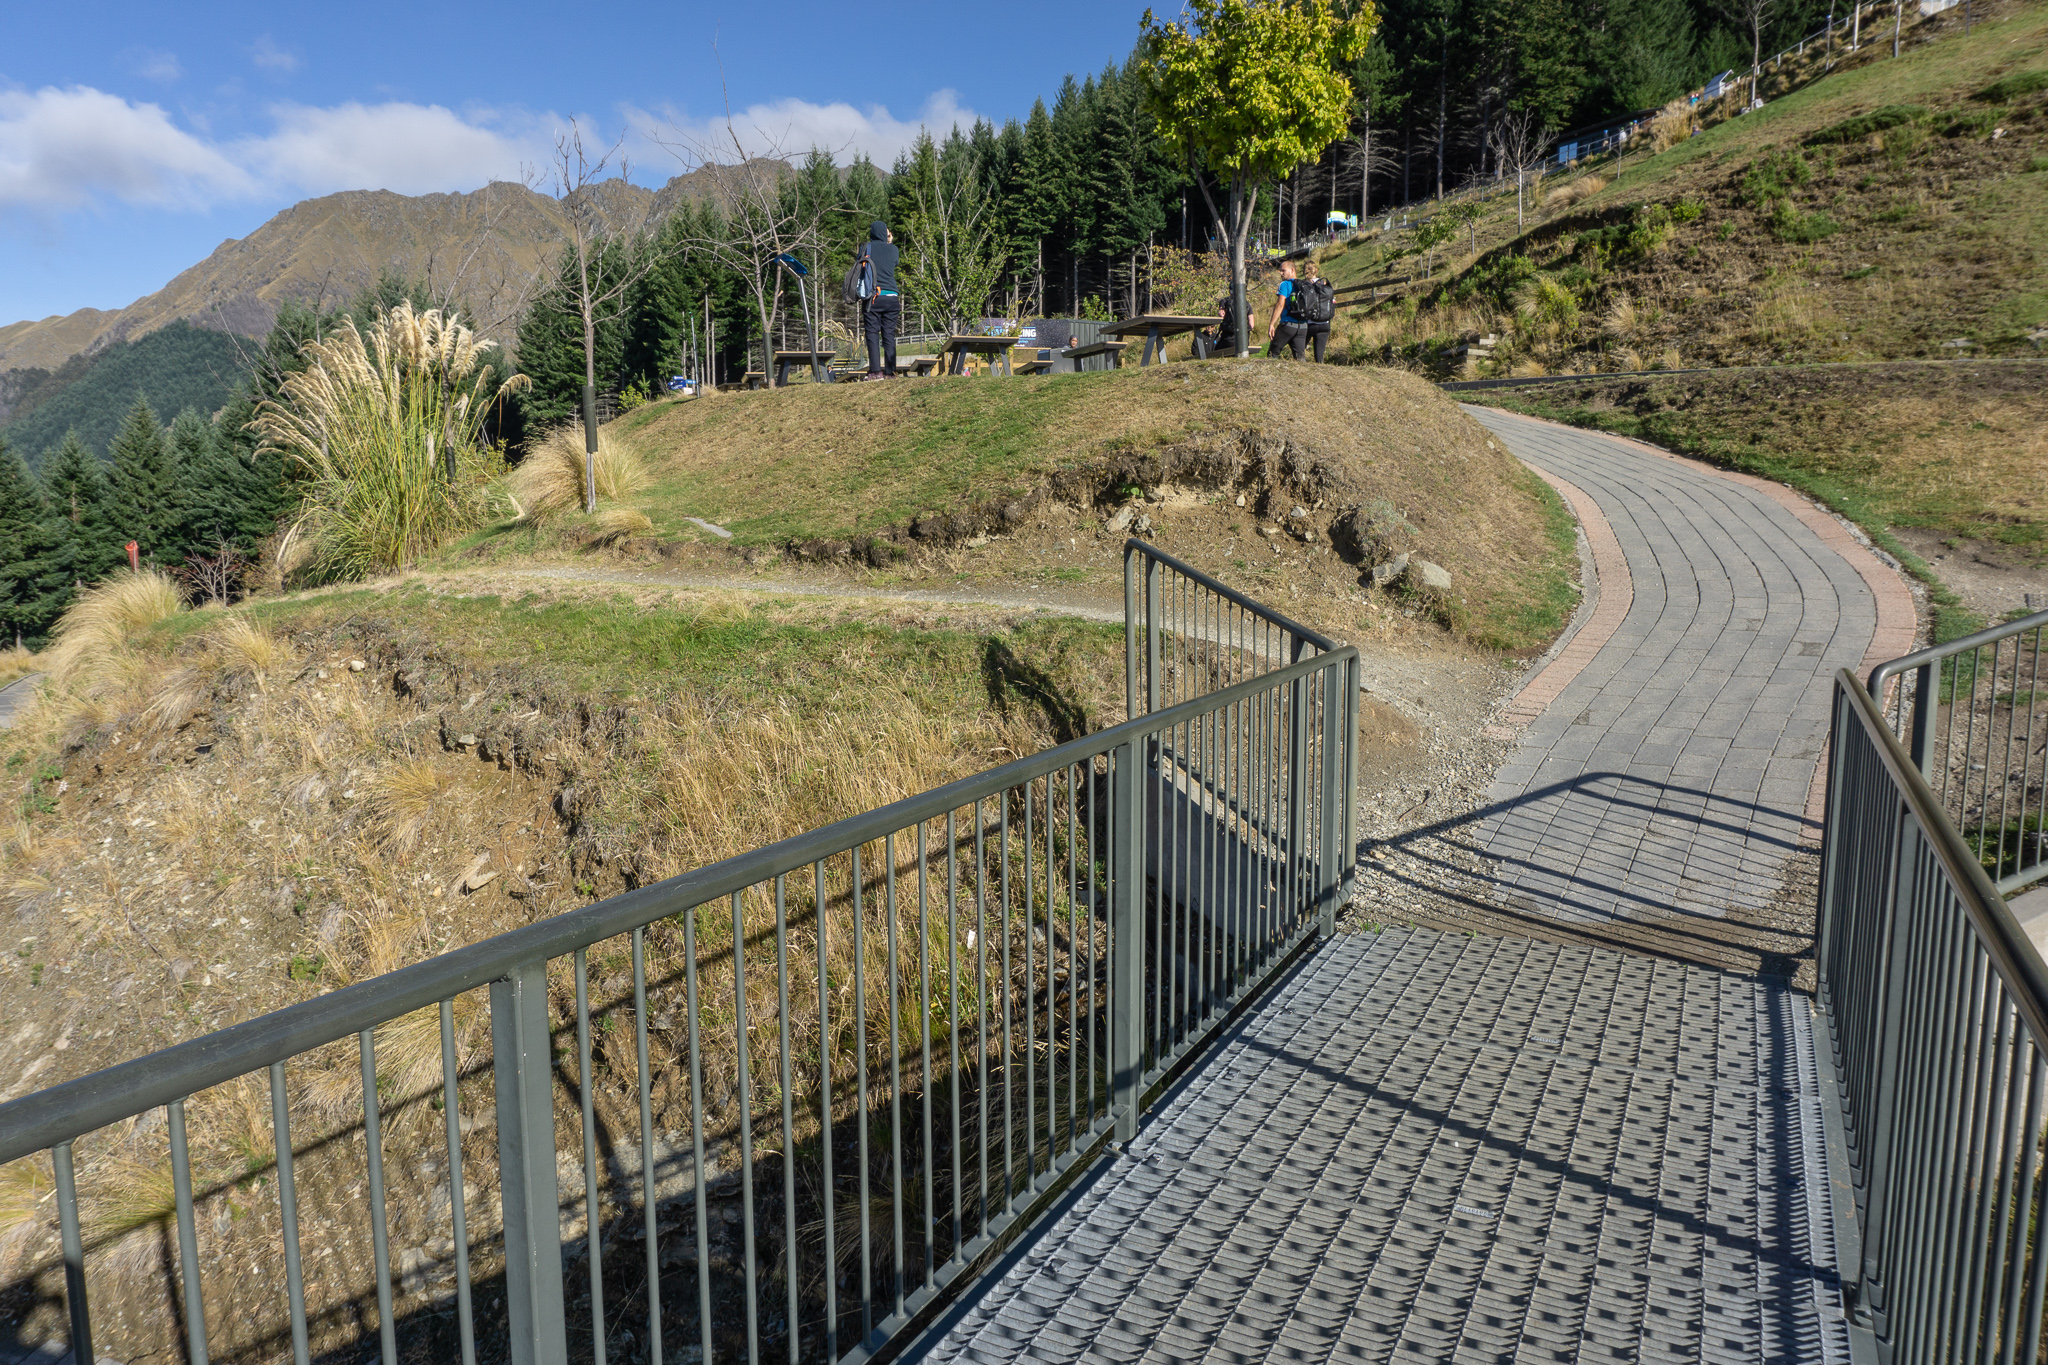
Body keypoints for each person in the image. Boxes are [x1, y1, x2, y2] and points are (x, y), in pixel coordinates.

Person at [859, 222, 901, 379]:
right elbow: (894, 262)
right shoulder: (893, 249)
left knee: (872, 333)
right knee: (888, 334)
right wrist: (889, 242)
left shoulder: (865, 248)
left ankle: (876, 371)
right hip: (891, 297)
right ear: (886, 233)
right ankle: (891, 372)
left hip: (873, 297)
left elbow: (859, 265)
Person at [1266, 260, 1301, 358]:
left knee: (1272, 353)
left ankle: (1271, 373)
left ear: (1292, 270)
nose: (1281, 273)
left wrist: (1272, 324)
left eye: (1283, 271)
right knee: (1300, 358)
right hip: (1302, 326)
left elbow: (1280, 304)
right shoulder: (1303, 285)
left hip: (1288, 324)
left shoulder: (1285, 284)